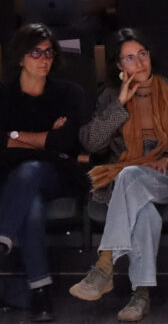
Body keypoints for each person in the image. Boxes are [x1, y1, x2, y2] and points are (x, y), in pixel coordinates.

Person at [68, 28, 168, 322]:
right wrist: (119, 104)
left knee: (130, 177)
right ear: (119, 65)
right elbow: (91, 142)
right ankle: (140, 296)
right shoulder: (109, 97)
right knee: (144, 212)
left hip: (167, 174)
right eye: (129, 58)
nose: (139, 63)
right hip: (127, 176)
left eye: (143, 54)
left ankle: (105, 265)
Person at [0, 23, 86, 322]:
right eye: (35, 52)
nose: (44, 59)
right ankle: (40, 293)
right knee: (32, 206)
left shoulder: (68, 93)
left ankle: (3, 235)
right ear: (20, 57)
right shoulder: (4, 95)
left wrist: (14, 137)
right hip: (9, 177)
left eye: (49, 53)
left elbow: (66, 142)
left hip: (56, 174)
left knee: (31, 170)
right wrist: (43, 139)